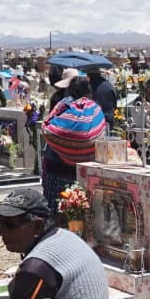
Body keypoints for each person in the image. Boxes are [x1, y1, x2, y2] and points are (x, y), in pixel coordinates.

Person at [0, 188, 111, 299]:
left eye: (9, 224)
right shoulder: (64, 236)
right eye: (0, 223)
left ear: (38, 226)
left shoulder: (37, 267)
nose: (2, 232)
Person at [40, 78, 107, 215]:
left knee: (55, 210)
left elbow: (49, 126)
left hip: (55, 166)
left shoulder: (62, 105)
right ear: (88, 91)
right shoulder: (94, 108)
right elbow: (100, 131)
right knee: (78, 211)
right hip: (82, 172)